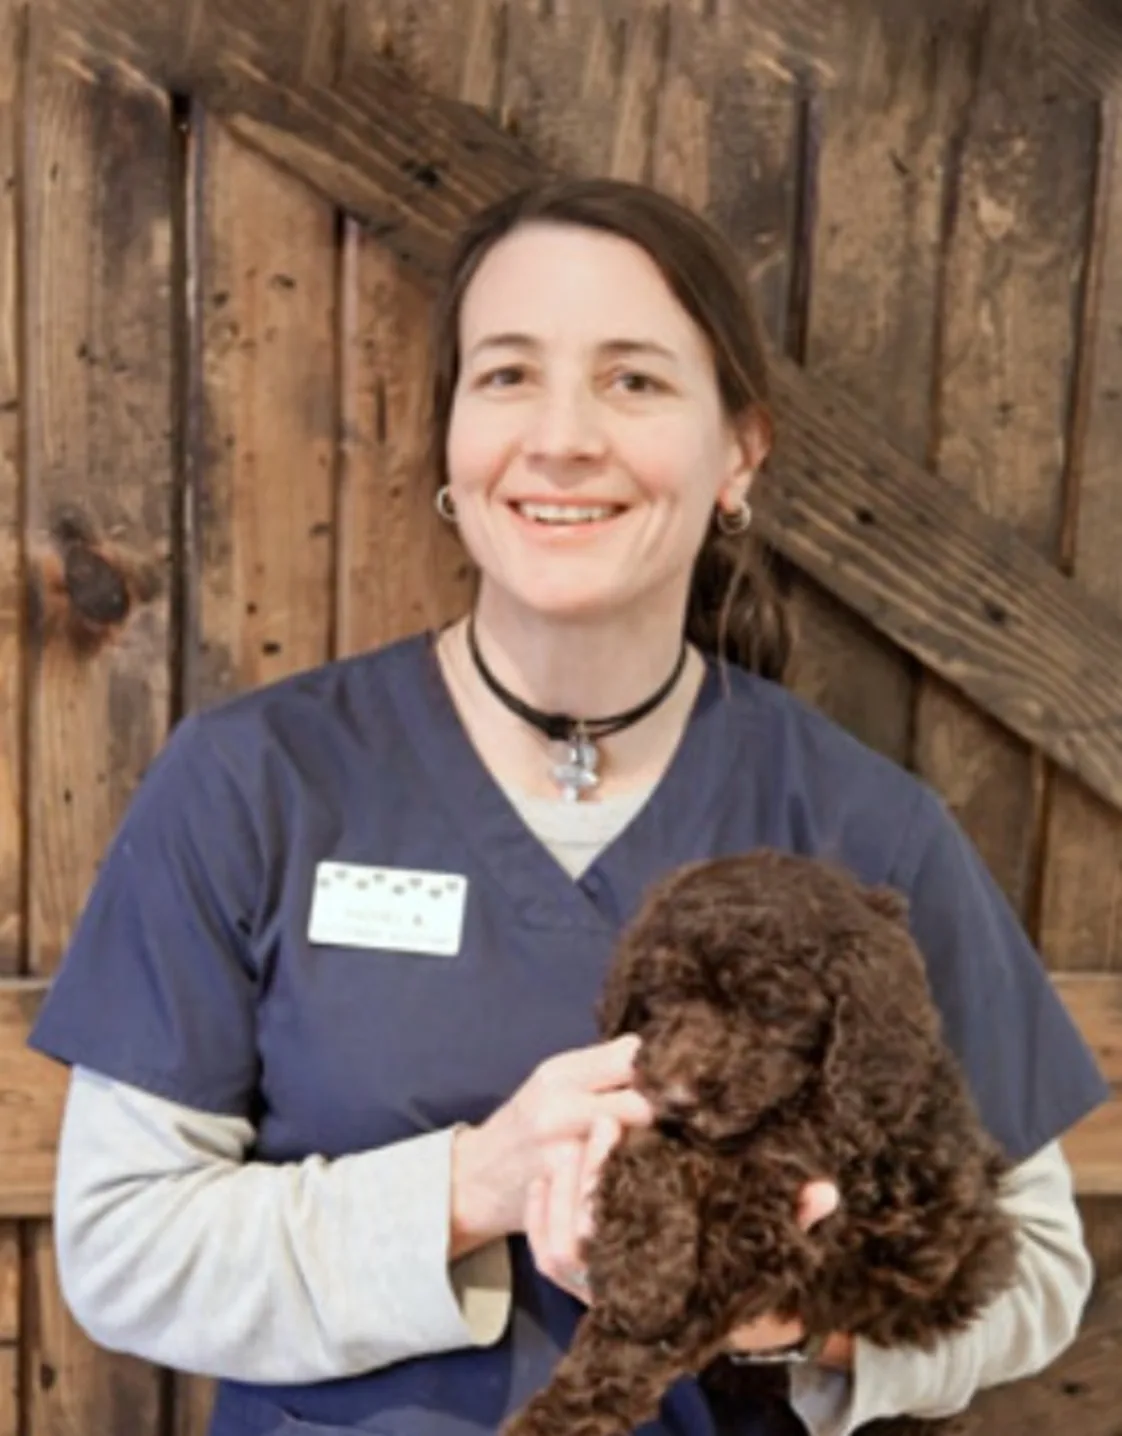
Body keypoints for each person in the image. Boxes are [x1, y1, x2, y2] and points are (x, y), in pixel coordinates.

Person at [29, 177, 1107, 1436]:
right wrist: (469, 1186)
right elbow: (121, 1246)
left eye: (634, 380)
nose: (561, 437)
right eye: (507, 376)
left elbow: (1036, 1265)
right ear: (450, 438)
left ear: (739, 450)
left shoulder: (868, 825)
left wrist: (801, 1320)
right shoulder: (253, 783)